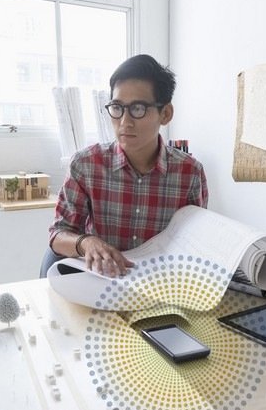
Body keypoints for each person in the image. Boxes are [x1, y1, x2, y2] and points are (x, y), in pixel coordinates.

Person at [43, 54, 208, 278]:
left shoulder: (190, 173)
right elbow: (58, 234)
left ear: (166, 114)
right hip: (97, 280)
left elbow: (193, 242)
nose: (124, 122)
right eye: (117, 107)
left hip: (157, 282)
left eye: (138, 109)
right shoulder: (86, 165)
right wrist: (86, 243)